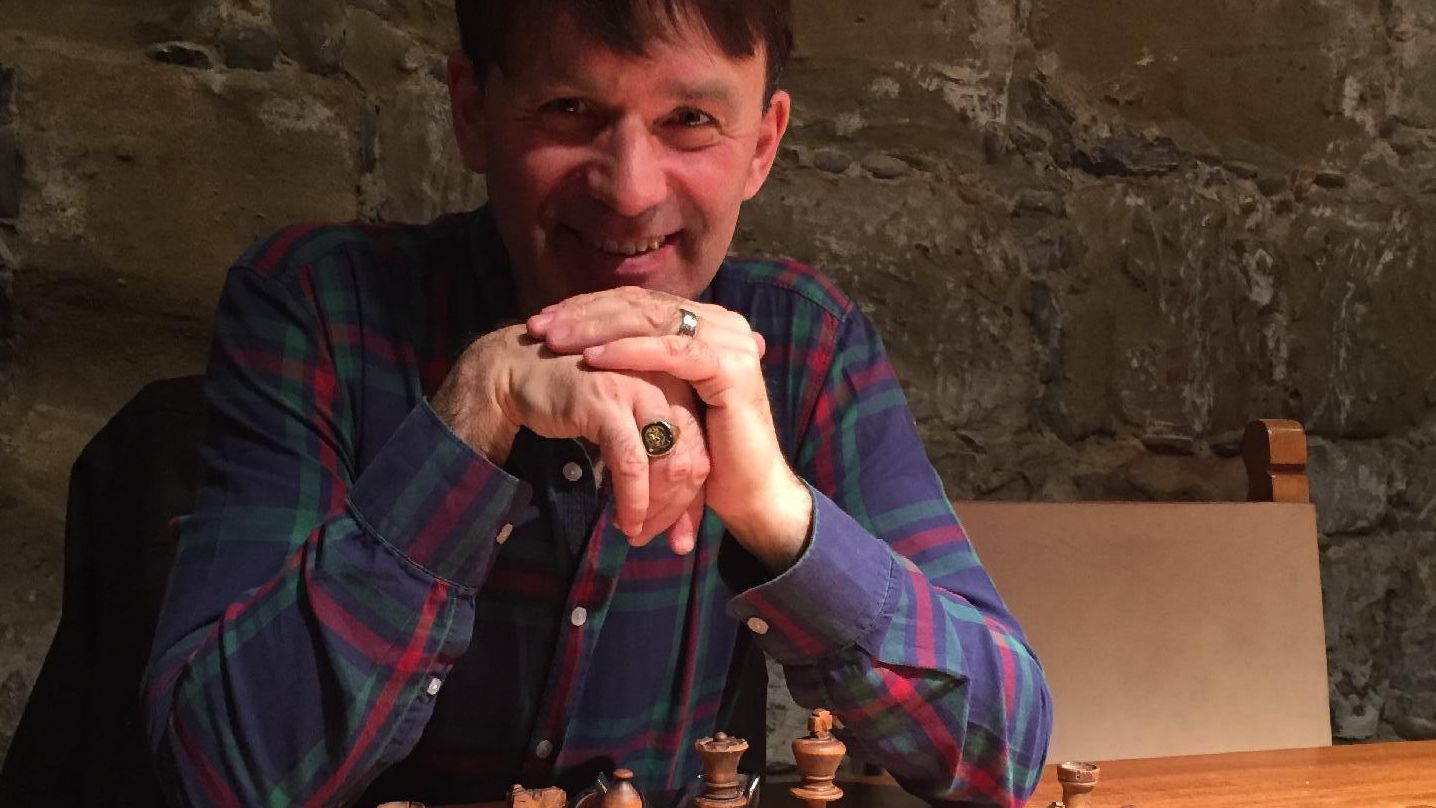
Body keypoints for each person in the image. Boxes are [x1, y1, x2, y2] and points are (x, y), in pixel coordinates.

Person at [142, 1, 1053, 805]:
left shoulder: (807, 344)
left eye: (690, 120)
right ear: (471, 112)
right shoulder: (314, 307)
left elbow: (1004, 751)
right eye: (570, 111)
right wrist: (473, 411)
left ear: (762, 146)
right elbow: (212, 778)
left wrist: (780, 512)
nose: (629, 192)